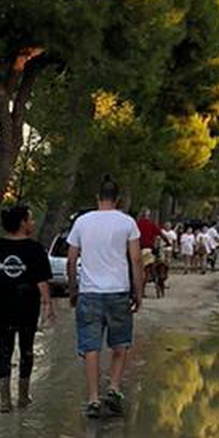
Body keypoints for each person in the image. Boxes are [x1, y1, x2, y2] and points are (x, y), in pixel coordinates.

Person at [65, 179, 144, 419]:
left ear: (96, 197)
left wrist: (73, 288)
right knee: (120, 344)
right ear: (117, 199)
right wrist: (138, 292)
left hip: (89, 292)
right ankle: (114, 388)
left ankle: (93, 399)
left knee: (91, 347)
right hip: (118, 291)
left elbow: (70, 260)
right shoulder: (127, 222)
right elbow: (136, 260)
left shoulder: (81, 222)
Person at [0, 201, 55, 400]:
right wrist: (48, 304)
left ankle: (4, 399)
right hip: (27, 305)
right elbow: (42, 280)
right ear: (22, 223)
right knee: (26, 349)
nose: (33, 223)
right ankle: (23, 395)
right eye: (31, 219)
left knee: (4, 349)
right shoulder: (35, 249)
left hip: (2, 304)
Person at [138, 207, 169, 297]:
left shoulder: (136, 224)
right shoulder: (151, 224)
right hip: (148, 249)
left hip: (137, 249)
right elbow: (160, 233)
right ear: (148, 215)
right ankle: (145, 289)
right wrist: (167, 242)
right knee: (149, 269)